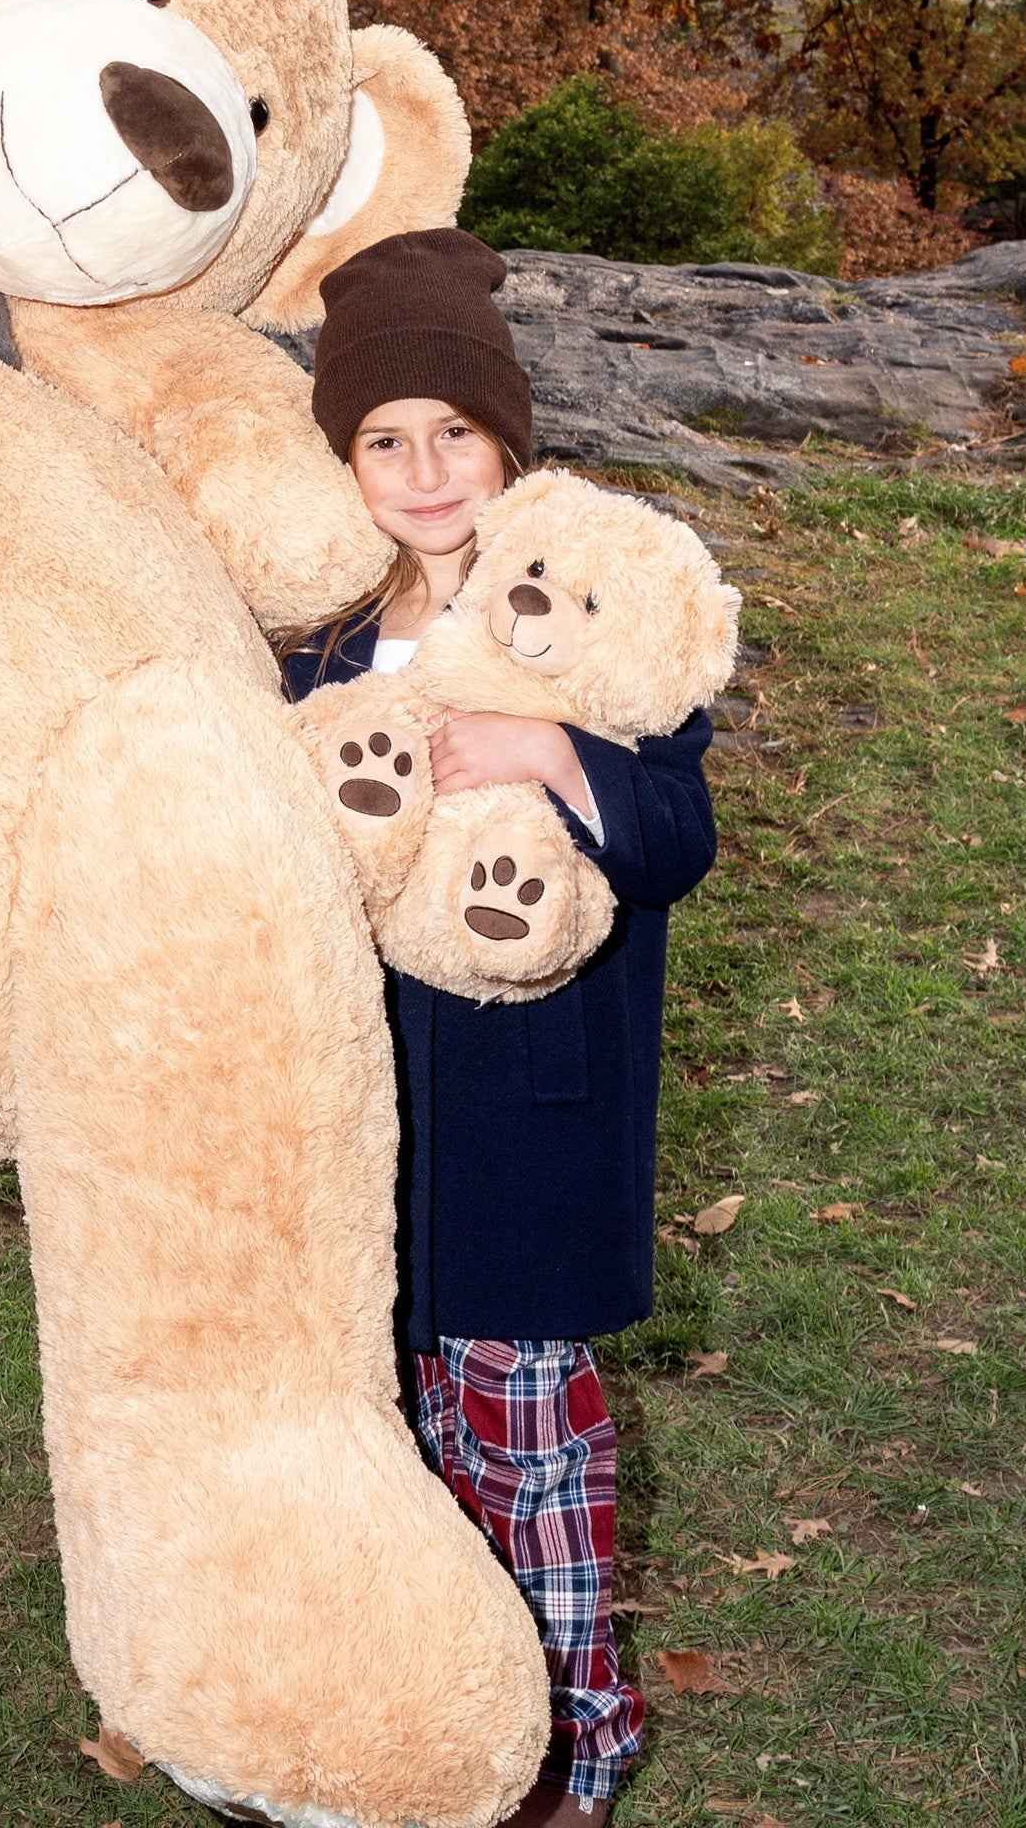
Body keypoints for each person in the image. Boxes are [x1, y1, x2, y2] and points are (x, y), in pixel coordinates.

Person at [280, 230, 718, 1827]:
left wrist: (548, 749)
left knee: (524, 1441)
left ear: (509, 443)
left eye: (452, 432)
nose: (422, 467)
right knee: (376, 1440)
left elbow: (676, 835)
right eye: (383, 439)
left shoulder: (594, 619)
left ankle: (570, 1743)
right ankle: (406, 1738)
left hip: (532, 1111)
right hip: (352, 1104)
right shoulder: (313, 635)